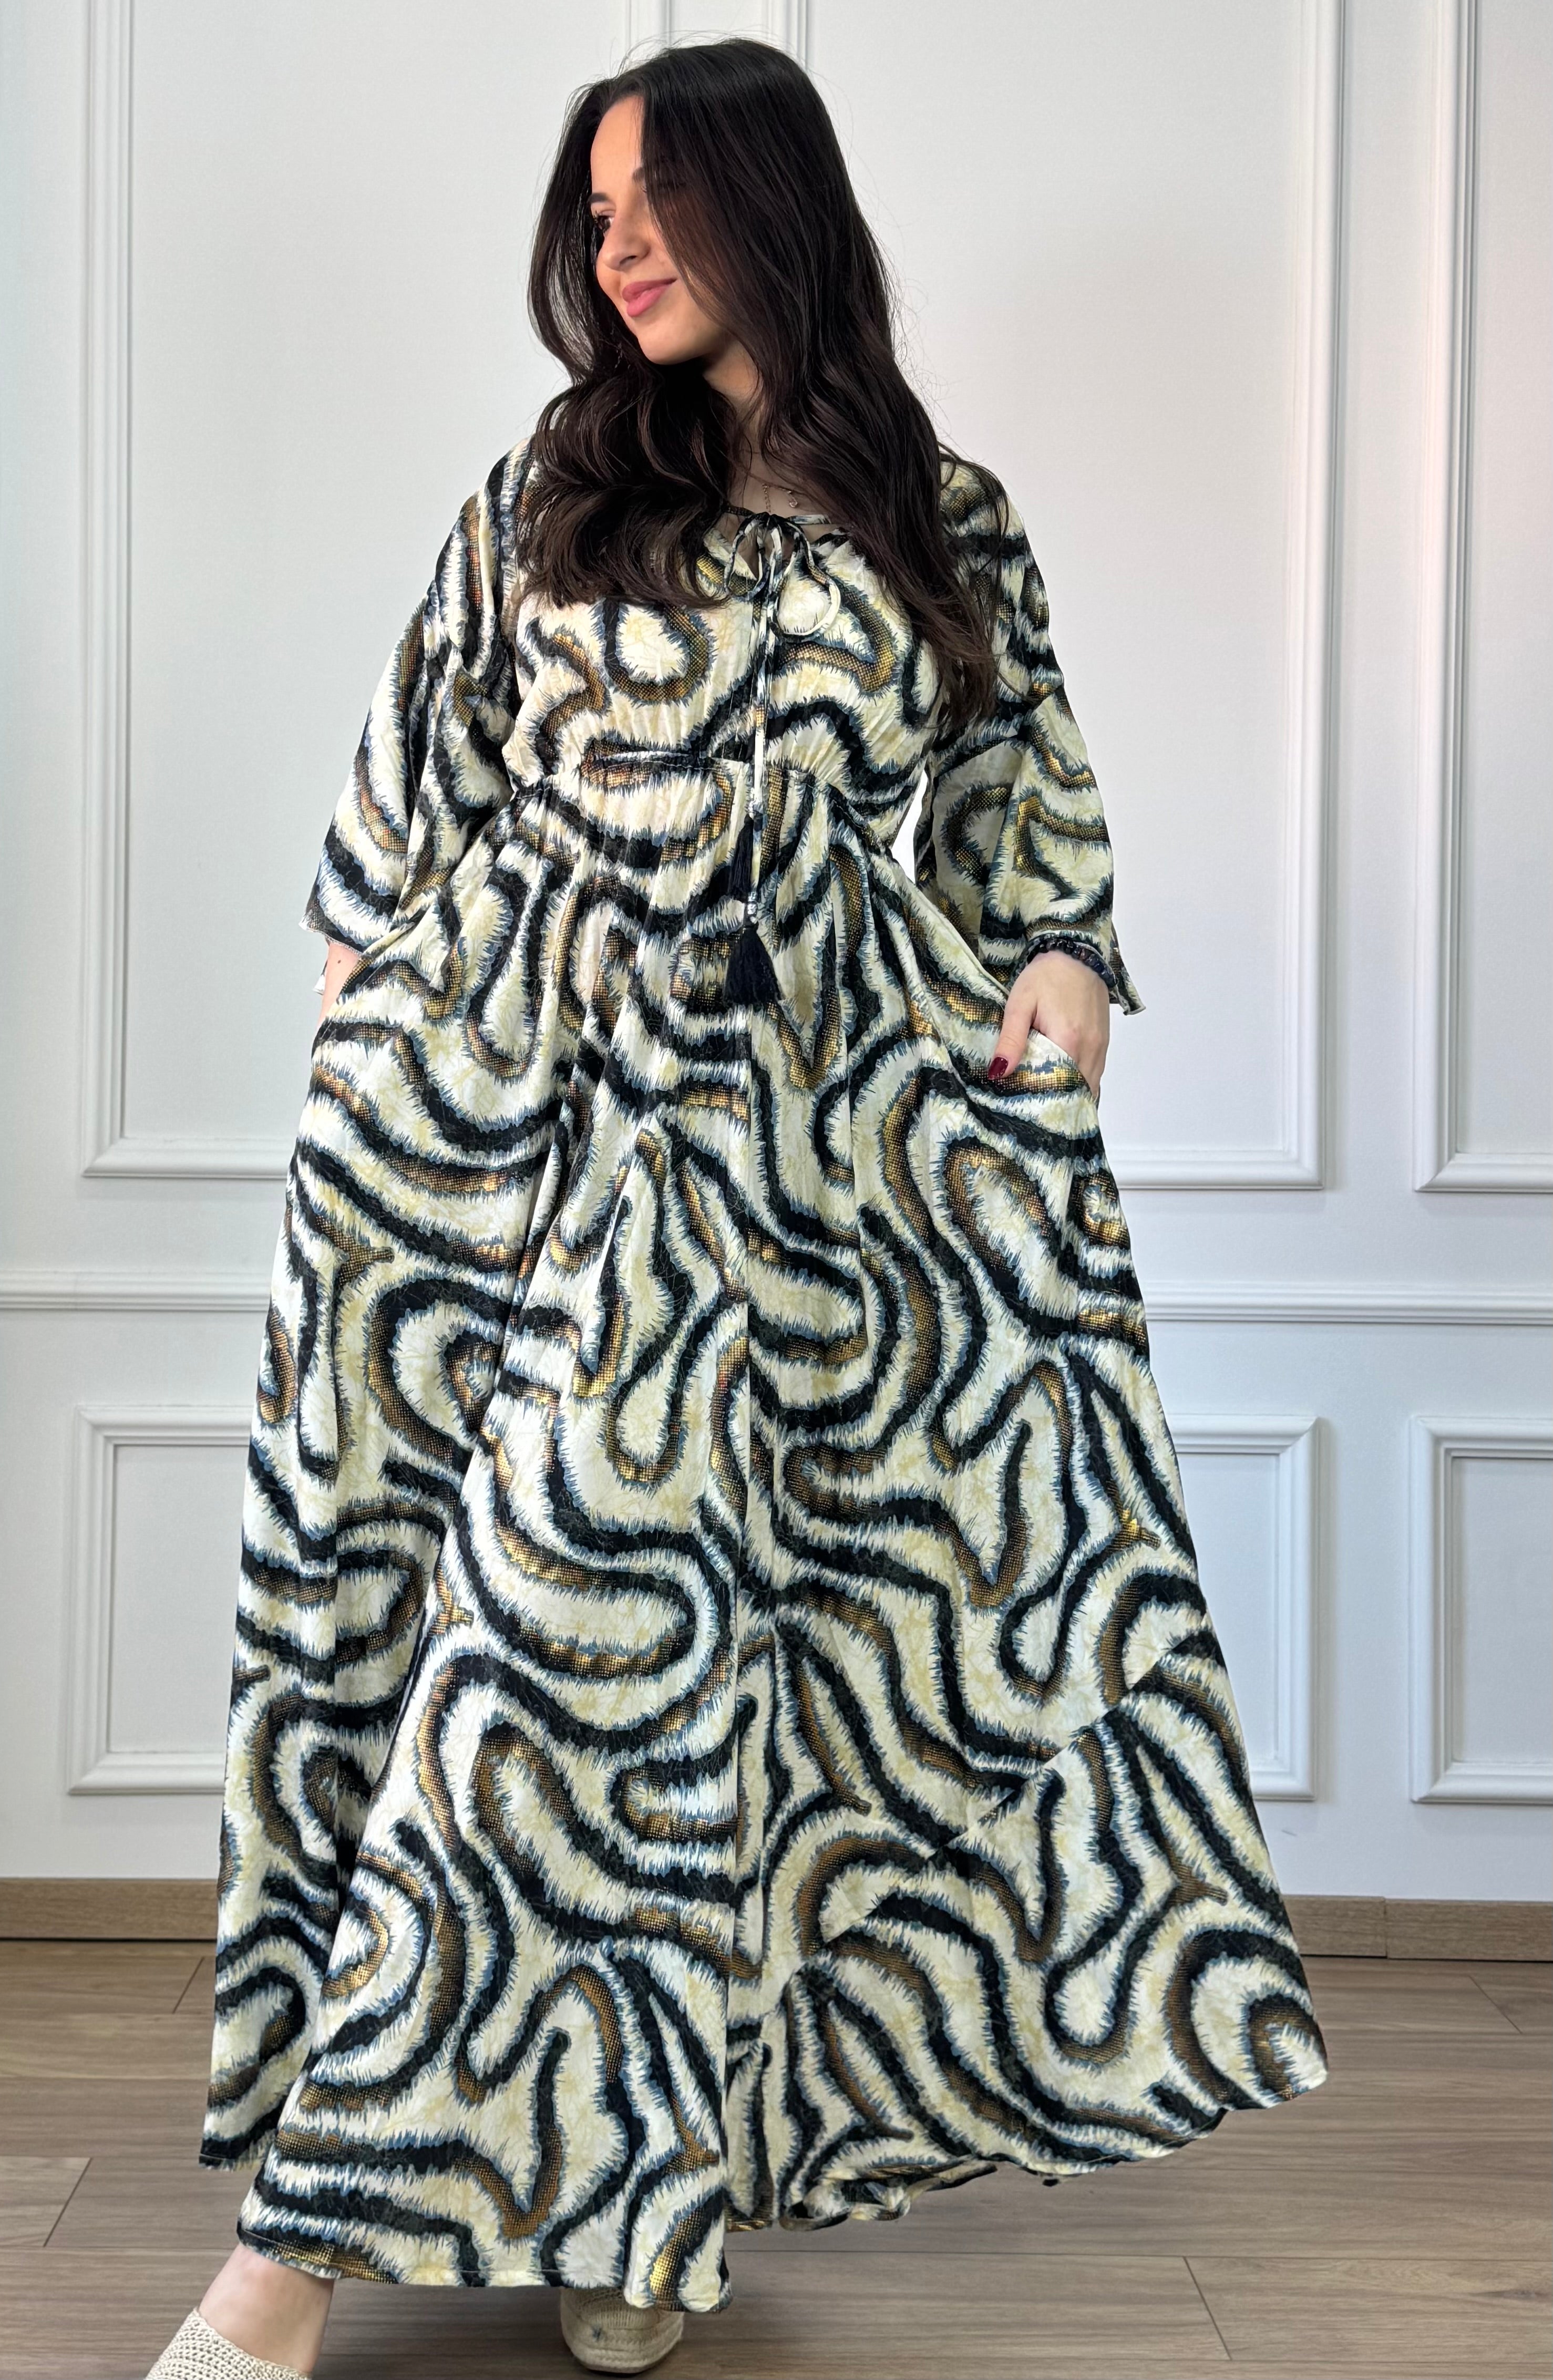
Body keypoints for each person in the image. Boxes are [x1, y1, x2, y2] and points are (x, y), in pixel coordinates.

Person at [146, 35, 1328, 2380]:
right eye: (590, 211)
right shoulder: (544, 490)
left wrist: (1063, 971)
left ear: (767, 202)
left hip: (807, 1179)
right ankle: (294, 2273)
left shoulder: (941, 515)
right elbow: (394, 817)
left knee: (699, 1696)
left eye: (655, 198)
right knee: (541, 1659)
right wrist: (379, 1054)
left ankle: (632, 2197)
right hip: (512, 1155)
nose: (614, 248)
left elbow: (1018, 806)